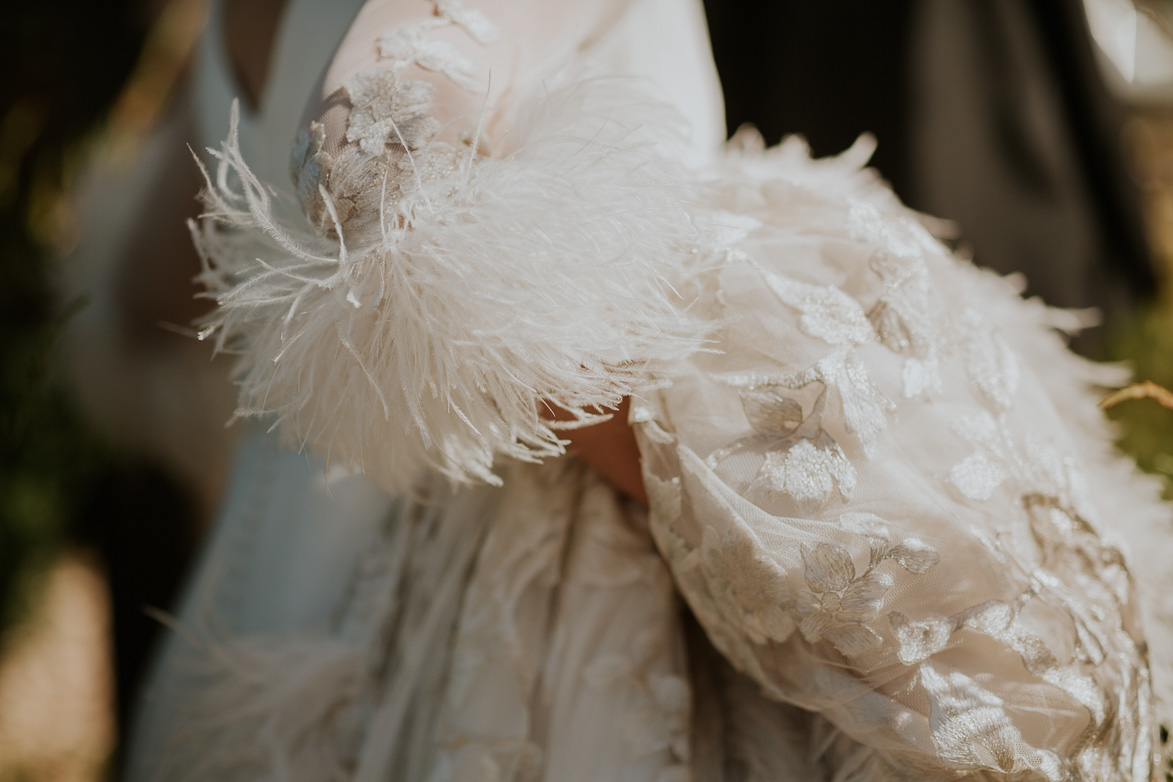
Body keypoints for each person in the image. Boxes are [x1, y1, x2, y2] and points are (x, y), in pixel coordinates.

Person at [123, 0, 1173, 779]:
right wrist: (758, 499)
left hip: (286, 589)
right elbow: (381, 170)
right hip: (531, 608)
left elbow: (147, 283)